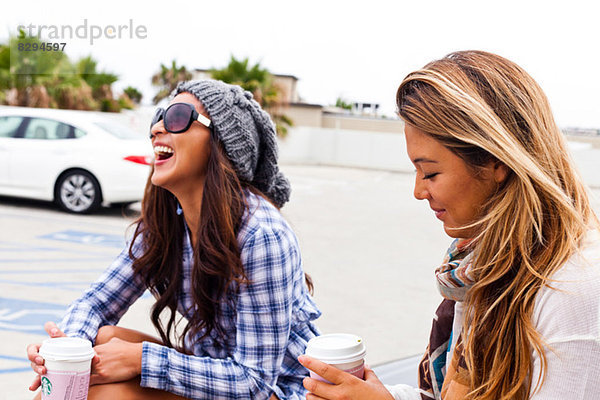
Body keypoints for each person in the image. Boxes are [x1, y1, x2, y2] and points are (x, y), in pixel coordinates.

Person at [299, 50, 600, 399]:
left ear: (495, 161)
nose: (417, 190)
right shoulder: (484, 266)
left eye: (430, 172)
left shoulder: (574, 292)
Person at [27, 79, 321, 399]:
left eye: (177, 117)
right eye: (157, 117)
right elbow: (95, 303)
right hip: (215, 370)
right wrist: (63, 351)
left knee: (103, 393)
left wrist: (142, 359)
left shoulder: (261, 235)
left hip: (280, 390)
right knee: (93, 350)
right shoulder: (167, 225)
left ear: (221, 144)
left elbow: (254, 382)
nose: (156, 130)